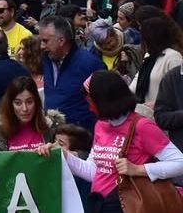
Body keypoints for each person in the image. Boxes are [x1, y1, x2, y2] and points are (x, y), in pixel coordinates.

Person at [61, 70, 183, 212]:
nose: (89, 108)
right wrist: (63, 156)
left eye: (91, 102)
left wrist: (138, 169)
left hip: (128, 205)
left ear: (103, 100)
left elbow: (180, 163)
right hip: (99, 205)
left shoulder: (142, 126)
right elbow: (96, 172)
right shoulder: (100, 125)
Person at [39, 15, 105, 131]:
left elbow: (105, 106)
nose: (42, 46)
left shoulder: (90, 64)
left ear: (61, 40)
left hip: (82, 139)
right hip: (54, 137)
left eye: (45, 41)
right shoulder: (46, 59)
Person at [0, 76, 63, 151]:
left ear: (36, 102)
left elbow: (71, 157)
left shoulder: (52, 127)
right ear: (10, 105)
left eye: (29, 102)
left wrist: (57, 150)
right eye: (18, 103)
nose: (25, 109)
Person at [129, 16, 183, 106]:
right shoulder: (149, 56)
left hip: (163, 113)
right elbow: (136, 81)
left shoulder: (173, 57)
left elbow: (178, 91)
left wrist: (157, 104)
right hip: (145, 111)